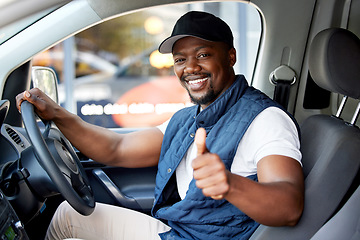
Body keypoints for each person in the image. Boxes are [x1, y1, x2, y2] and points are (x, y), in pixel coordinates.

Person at [16, 11, 304, 240]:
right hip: (180, 230)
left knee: (69, 216)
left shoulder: (265, 119)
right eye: (181, 60)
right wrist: (57, 114)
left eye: (203, 55)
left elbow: (289, 206)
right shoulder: (188, 118)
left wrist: (230, 185)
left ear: (230, 57)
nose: (190, 68)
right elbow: (118, 148)